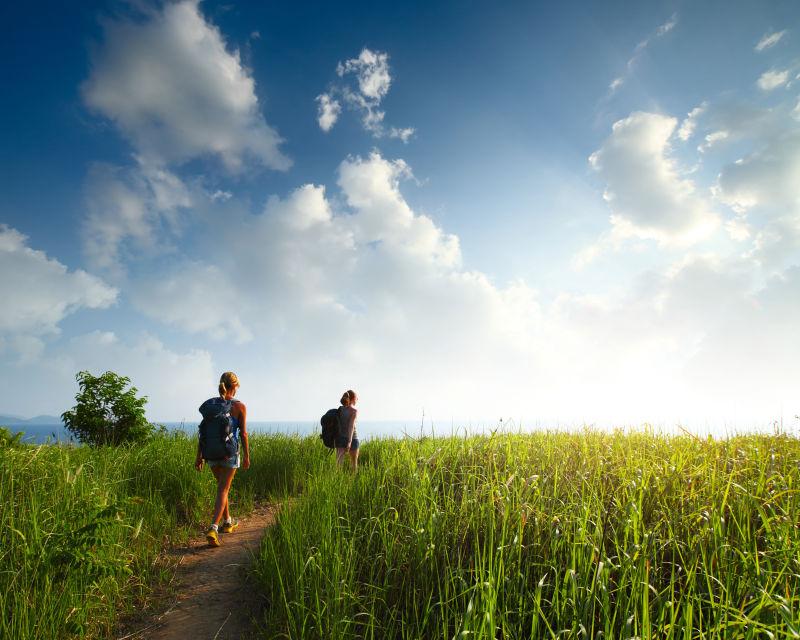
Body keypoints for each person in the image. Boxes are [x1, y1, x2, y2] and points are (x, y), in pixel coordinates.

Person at [195, 371, 250, 547]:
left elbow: (202, 432)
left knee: (221, 488)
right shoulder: (239, 406)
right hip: (229, 454)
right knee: (223, 490)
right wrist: (247, 456)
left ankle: (228, 522)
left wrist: (199, 456)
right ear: (235, 386)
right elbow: (243, 433)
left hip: (210, 453)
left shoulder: (212, 405)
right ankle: (213, 527)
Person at [336, 389, 359, 471]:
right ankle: (353, 482)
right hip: (353, 438)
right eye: (356, 398)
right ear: (352, 399)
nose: (357, 400)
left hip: (340, 438)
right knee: (354, 465)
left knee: (339, 465)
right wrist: (349, 441)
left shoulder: (340, 410)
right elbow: (351, 426)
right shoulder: (354, 411)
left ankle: (338, 482)